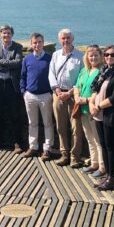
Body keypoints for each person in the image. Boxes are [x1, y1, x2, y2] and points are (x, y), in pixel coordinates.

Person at [89, 44, 114, 191]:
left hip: (111, 116)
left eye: (112, 55)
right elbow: (95, 90)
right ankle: (107, 176)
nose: (109, 57)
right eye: (106, 55)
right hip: (99, 116)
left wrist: (98, 107)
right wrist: (92, 103)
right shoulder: (104, 72)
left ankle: (112, 178)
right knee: (104, 146)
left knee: (111, 147)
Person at [0, 24, 26, 153]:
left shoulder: (17, 47)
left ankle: (17, 143)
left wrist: (0, 62)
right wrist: (7, 65)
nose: (6, 35)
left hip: (10, 85)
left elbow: (17, 63)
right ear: (0, 35)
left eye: (8, 33)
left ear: (12, 34)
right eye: (4, 33)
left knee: (15, 115)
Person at [48, 28, 84, 167]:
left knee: (76, 127)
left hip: (74, 95)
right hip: (58, 94)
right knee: (60, 126)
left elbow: (82, 78)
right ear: (59, 40)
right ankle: (64, 154)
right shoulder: (56, 55)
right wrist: (57, 90)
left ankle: (75, 156)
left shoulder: (80, 56)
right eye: (63, 38)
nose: (65, 40)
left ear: (72, 39)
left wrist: (69, 93)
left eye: (68, 37)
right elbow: (51, 73)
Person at [72, 45, 106, 179]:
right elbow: (76, 86)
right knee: (89, 138)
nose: (93, 58)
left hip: (94, 110)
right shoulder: (84, 71)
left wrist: (85, 100)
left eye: (96, 55)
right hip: (83, 109)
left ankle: (102, 166)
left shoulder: (102, 72)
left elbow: (98, 92)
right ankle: (94, 163)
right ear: (87, 57)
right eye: (90, 55)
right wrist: (76, 97)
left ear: (101, 56)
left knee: (98, 139)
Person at [19, 33, 54, 160]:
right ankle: (33, 147)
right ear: (31, 44)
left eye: (39, 42)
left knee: (47, 123)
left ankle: (47, 149)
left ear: (43, 43)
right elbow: (22, 76)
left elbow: (54, 76)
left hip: (46, 95)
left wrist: (51, 92)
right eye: (34, 42)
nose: (37, 45)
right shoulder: (27, 59)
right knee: (32, 123)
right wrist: (24, 92)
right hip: (30, 95)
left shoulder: (50, 58)